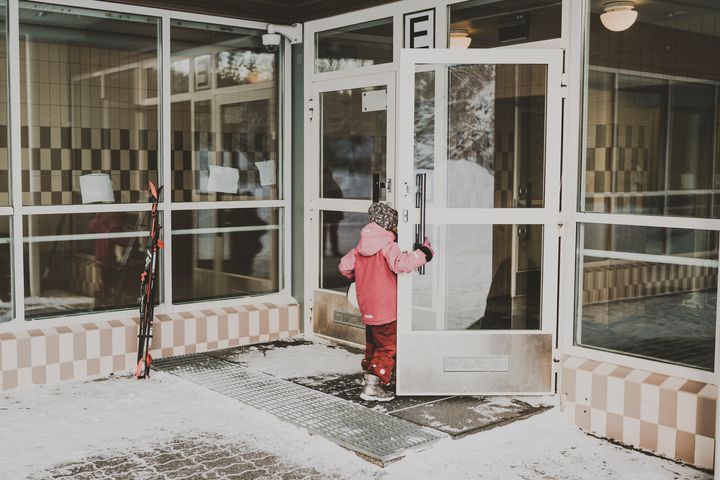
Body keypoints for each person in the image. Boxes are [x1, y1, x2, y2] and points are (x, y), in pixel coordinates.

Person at [339, 202, 433, 402]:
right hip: (385, 309)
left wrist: (363, 277)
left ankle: (369, 377)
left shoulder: (359, 248)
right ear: (389, 226)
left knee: (373, 344)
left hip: (368, 307)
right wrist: (423, 252)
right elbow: (402, 264)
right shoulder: (388, 246)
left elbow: (344, 267)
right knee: (387, 347)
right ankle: (373, 386)